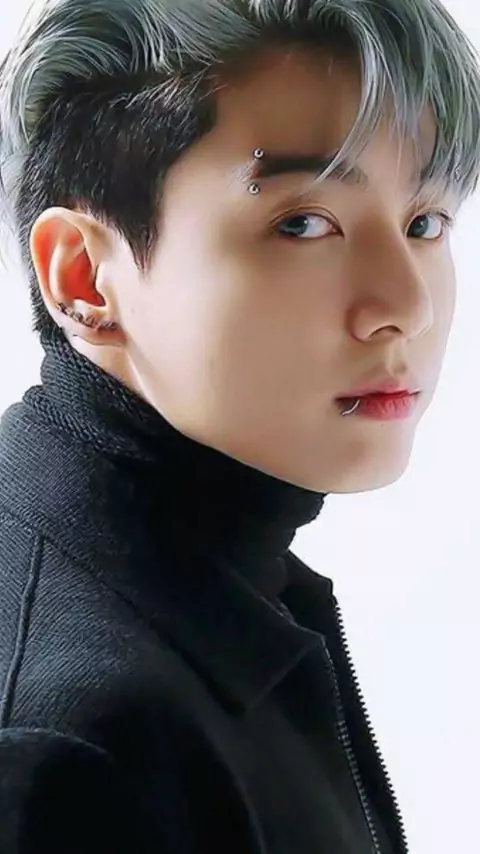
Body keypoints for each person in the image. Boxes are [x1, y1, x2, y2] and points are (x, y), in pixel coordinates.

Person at [0, 0, 478, 851]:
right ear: (83, 276)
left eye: (425, 223)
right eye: (303, 224)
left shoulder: (214, 578)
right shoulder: (73, 740)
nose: (405, 305)